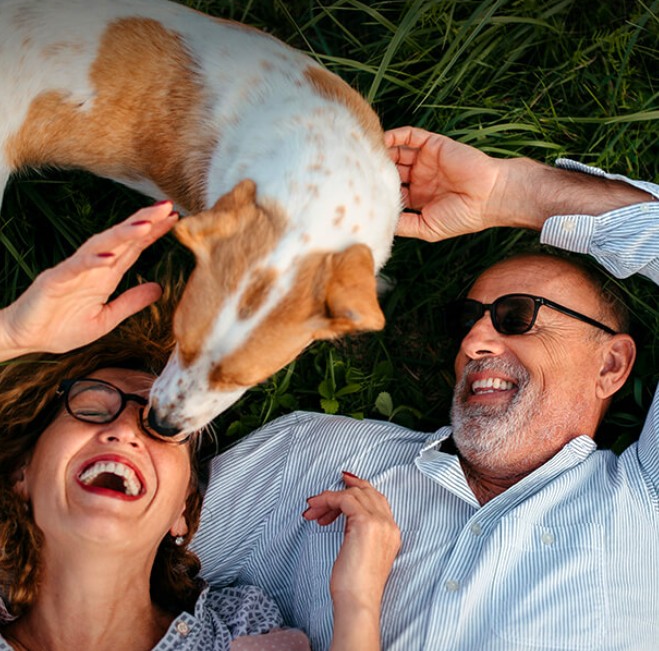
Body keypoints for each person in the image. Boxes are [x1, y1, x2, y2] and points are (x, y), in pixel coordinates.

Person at [189, 127, 659, 650]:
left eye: (517, 316)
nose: (474, 341)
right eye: (466, 321)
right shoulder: (313, 457)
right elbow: (131, 556)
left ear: (610, 365)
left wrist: (510, 192)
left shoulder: (646, 508)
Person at [0, 203, 401, 651]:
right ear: (21, 473)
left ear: (184, 510)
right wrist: (13, 336)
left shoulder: (242, 629)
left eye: (164, 430)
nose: (126, 433)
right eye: (91, 408)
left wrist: (356, 600)